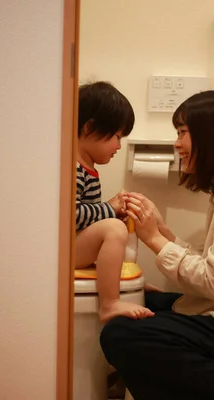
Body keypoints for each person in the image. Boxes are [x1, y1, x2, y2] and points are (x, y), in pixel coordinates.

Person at [100, 90, 214, 400]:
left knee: (121, 333)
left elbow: (213, 282)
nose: (177, 143)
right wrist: (165, 233)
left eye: (182, 132)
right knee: (139, 303)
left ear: (211, 135)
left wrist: (154, 240)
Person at [75, 81, 154, 322]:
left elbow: (88, 218)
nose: (119, 146)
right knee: (114, 228)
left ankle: (119, 284)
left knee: (119, 226)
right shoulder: (73, 168)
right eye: (117, 137)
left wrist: (111, 212)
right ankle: (109, 303)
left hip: (74, 246)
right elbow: (72, 215)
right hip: (62, 251)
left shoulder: (87, 168)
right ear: (90, 128)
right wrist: (108, 209)